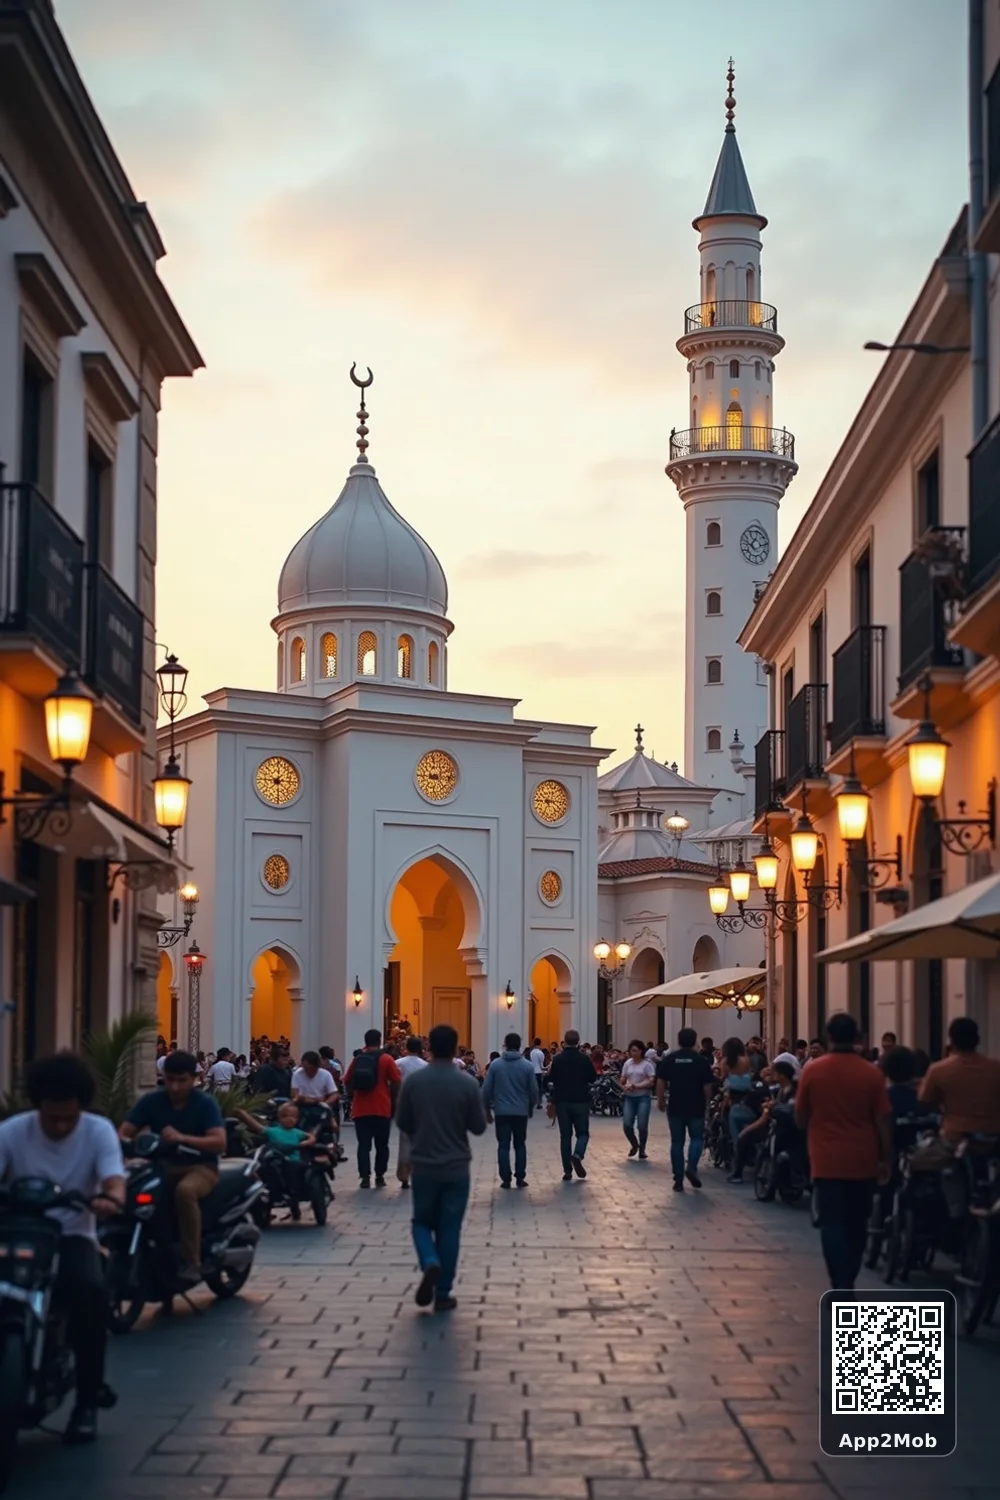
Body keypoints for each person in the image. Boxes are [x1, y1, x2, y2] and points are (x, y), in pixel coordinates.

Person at [0, 1052, 125, 1444]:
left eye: (67, 1119)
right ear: (37, 1105)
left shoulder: (98, 1131)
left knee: (89, 1295)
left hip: (72, 1234)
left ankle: (87, 1401)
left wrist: (111, 1198)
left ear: (81, 1108)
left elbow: (113, 1178)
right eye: (50, 1117)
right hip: (17, 1230)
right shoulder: (12, 1131)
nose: (58, 1125)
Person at [795, 1012, 893, 1290]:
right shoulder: (871, 1073)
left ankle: (840, 1282)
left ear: (829, 1038)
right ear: (859, 1038)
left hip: (825, 1160)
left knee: (832, 1223)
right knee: (858, 1222)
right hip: (863, 1159)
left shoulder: (813, 1071)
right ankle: (849, 1274)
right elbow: (883, 1120)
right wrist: (887, 1158)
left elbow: (801, 1118)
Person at [395, 1023, 486, 1311]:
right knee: (450, 1228)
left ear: (429, 1048)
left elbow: (403, 1122)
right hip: (456, 1166)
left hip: (424, 1164)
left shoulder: (414, 1082)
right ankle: (443, 1291)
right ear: (457, 1047)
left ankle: (429, 1261)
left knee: (421, 1221)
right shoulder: (467, 1083)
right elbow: (479, 1126)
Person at [120, 1050, 226, 1282]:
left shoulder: (205, 1103)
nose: (175, 1087)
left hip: (201, 1167)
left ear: (193, 1078)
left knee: (185, 1192)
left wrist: (183, 1138)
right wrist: (126, 1149)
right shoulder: (152, 1101)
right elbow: (125, 1131)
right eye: (170, 1080)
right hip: (161, 1166)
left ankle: (192, 1260)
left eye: (181, 1080)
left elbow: (219, 1142)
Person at [919, 1016, 1000, 1142]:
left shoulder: (938, 1070)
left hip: (955, 1138)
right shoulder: (996, 1068)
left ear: (952, 1042)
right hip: (993, 1136)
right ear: (977, 1040)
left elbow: (925, 1101)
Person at [656, 1027, 714, 1190]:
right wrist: (707, 1103)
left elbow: (661, 1081)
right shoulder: (700, 1060)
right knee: (696, 1138)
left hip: (676, 1104)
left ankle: (678, 1179)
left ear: (679, 1040)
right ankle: (692, 1167)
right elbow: (707, 1085)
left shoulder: (670, 1059)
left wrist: (660, 1100)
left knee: (677, 1142)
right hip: (696, 1104)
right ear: (695, 1040)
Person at [344, 1029, 401, 1187]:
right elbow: (396, 1080)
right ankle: (380, 1176)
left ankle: (365, 1178)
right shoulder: (386, 1059)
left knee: (363, 1145)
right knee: (382, 1145)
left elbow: (347, 1079)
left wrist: (352, 1097)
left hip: (360, 1108)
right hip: (381, 1107)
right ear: (379, 1040)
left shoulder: (358, 1059)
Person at [481, 1031, 537, 1188]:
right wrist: (531, 1107)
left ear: (505, 1045)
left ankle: (505, 1177)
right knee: (520, 1144)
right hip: (520, 1111)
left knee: (503, 1144)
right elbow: (533, 1090)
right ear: (519, 1046)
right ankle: (520, 1177)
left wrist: (486, 1109)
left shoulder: (496, 1065)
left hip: (501, 1111)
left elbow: (486, 1090)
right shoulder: (527, 1066)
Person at [548, 1029, 596, 1181]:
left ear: (564, 1041)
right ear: (578, 1041)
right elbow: (593, 1078)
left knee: (565, 1136)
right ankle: (578, 1154)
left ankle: (567, 1171)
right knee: (583, 1133)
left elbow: (551, 1078)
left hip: (562, 1101)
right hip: (581, 1100)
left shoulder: (558, 1059)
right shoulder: (584, 1059)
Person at [395, 1035, 427, 1188]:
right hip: (421, 1106)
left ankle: (404, 1175)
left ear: (406, 1048)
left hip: (403, 1106)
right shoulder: (425, 1066)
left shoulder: (398, 1064)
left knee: (405, 1141)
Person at [620, 1039, 656, 1160]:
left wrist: (637, 1086)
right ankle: (634, 1144)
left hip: (643, 1097)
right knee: (627, 1124)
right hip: (630, 1097)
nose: (633, 1053)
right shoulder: (628, 1063)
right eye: (631, 1051)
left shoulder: (647, 1065)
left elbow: (651, 1081)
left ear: (641, 1051)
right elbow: (623, 1078)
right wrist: (624, 1084)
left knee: (642, 1125)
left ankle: (642, 1148)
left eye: (636, 1050)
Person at [529, 1036, 546, 1107]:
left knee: (533, 1087)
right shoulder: (540, 1053)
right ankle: (539, 1102)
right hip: (539, 1071)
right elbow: (541, 1065)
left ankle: (533, 1101)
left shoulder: (532, 1052)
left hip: (533, 1071)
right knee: (539, 1087)